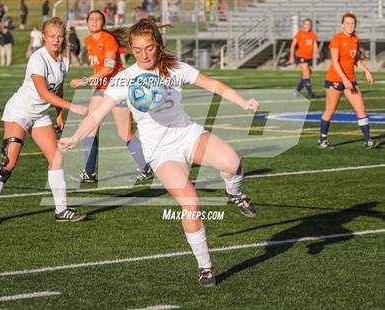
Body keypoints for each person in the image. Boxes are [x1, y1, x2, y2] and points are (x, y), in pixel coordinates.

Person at [59, 18, 259, 286]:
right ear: (130, 49)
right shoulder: (125, 79)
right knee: (190, 203)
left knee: (232, 162)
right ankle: (205, 267)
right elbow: (97, 113)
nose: (144, 55)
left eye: (149, 48)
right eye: (138, 49)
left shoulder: (174, 69)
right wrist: (75, 136)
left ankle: (234, 193)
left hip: (188, 134)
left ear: (158, 45)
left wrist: (242, 101)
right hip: (161, 151)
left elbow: (214, 85)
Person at [0, 17, 88, 225]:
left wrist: (60, 113)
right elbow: (44, 93)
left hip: (39, 114)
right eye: (52, 36)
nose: (56, 40)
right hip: (19, 111)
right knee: (9, 161)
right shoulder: (38, 57)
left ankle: (61, 210)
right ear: (43, 37)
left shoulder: (64, 60)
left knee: (56, 157)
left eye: (59, 36)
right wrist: (71, 107)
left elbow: (59, 86)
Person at [70, 10, 152, 183]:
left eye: (98, 19)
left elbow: (108, 68)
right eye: (91, 19)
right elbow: (100, 69)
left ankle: (146, 168)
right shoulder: (88, 40)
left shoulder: (108, 40)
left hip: (118, 87)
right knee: (90, 126)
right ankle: (89, 172)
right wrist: (95, 81)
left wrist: (86, 81)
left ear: (103, 22)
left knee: (125, 133)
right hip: (102, 88)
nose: (94, 22)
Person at [319, 12, 379, 149]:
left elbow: (356, 60)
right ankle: (322, 140)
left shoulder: (355, 39)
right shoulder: (337, 39)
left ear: (355, 25)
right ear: (342, 25)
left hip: (350, 80)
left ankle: (368, 140)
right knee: (330, 110)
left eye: (352, 23)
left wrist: (366, 71)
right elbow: (335, 61)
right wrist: (344, 79)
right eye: (347, 23)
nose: (350, 26)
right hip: (335, 80)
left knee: (361, 108)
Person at [289, 18, 319, 98]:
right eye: (306, 24)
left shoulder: (313, 35)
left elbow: (315, 45)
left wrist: (317, 53)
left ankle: (297, 90)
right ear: (303, 25)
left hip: (309, 57)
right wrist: (291, 57)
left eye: (309, 24)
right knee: (307, 75)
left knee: (308, 74)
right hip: (301, 56)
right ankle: (310, 94)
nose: (307, 26)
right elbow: (292, 46)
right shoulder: (299, 34)